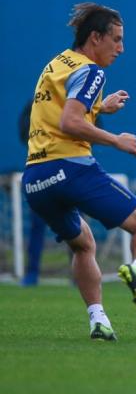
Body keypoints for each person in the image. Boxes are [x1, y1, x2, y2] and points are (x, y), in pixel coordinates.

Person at [22, 2, 136, 341]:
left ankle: (98, 320)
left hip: (37, 179)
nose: (121, 48)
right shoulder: (92, 71)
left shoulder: (57, 63)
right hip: (70, 169)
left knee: (84, 245)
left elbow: (59, 111)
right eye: (115, 39)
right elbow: (69, 122)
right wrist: (116, 139)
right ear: (95, 37)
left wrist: (100, 106)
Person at [18, 99, 48, 286]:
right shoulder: (35, 103)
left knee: (78, 229)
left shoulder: (80, 98)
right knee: (37, 225)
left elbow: (93, 128)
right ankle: (32, 273)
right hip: (41, 171)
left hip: (72, 171)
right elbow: (23, 131)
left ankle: (78, 275)